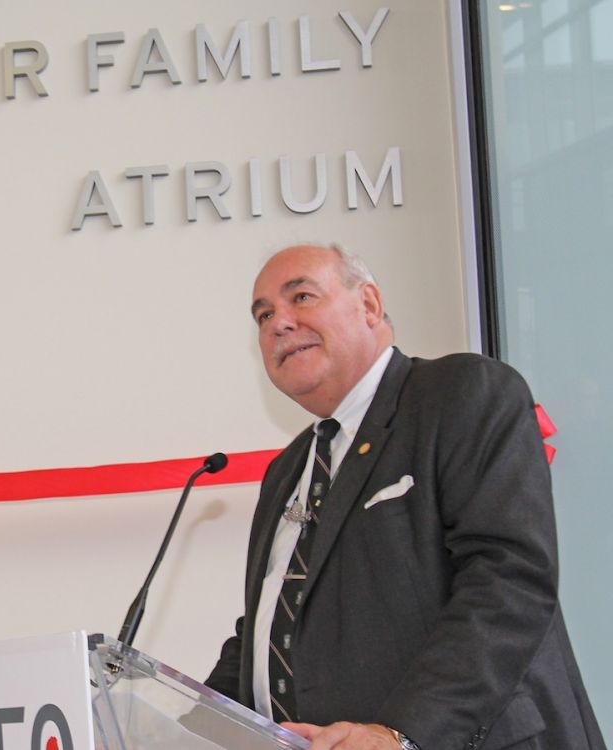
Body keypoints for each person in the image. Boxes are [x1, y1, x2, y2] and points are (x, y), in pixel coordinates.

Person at [204, 244, 605, 750]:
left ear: (368, 305)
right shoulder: (288, 470)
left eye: (300, 297)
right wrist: (183, 722)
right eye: (263, 315)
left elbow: (507, 583)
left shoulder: (460, 393)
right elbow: (269, 627)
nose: (277, 324)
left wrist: (402, 734)